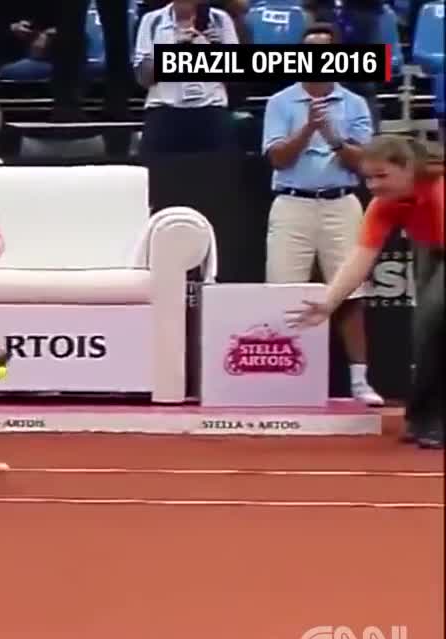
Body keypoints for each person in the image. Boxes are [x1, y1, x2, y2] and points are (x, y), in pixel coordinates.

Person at [288, 135, 443, 449]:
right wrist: (329, 303)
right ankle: (421, 417)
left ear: (409, 169)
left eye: (382, 176)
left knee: (435, 315)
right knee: (424, 329)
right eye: (368, 178)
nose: (372, 185)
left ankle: (436, 418)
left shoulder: (439, 191)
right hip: (432, 245)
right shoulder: (383, 205)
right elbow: (361, 256)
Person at [262, 23, 382, 406]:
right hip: (292, 203)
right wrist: (307, 129)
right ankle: (282, 379)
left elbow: (365, 163)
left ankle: (360, 381)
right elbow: (277, 157)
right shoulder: (280, 102)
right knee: (283, 293)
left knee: (348, 292)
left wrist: (331, 136)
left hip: (341, 203)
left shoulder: (355, 104)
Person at [133, 0, 240, 155]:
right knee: (155, 176)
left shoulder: (220, 20)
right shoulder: (152, 20)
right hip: (164, 111)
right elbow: (143, 78)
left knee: (220, 175)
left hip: (212, 109)